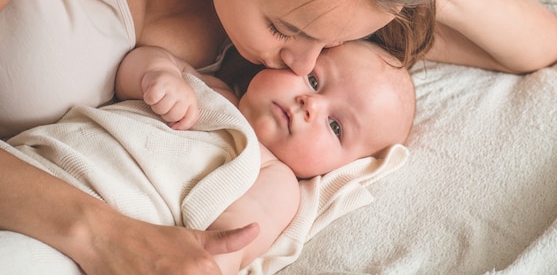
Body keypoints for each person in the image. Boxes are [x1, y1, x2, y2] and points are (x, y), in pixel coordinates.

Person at [0, 0, 557, 273]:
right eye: (286, 31)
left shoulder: (312, 4)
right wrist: (103, 236)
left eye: (330, 45)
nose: (302, 65)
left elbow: (540, 45)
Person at [2, 40, 414, 275]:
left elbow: (226, 246)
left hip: (86, 249)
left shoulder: (274, 178)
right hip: (30, 170)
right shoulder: (208, 84)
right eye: (314, 79)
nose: (311, 104)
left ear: (338, 169)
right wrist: (158, 76)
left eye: (336, 127)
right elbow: (134, 67)